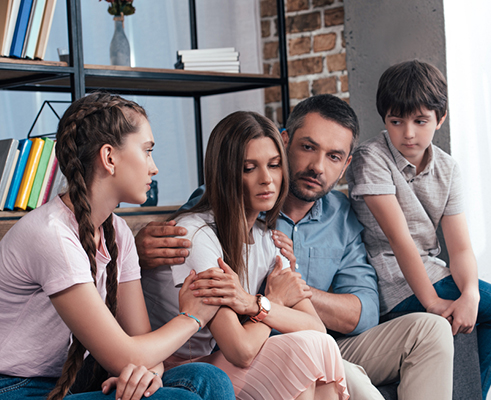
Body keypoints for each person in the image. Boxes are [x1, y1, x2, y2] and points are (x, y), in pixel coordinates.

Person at [137, 95, 454, 400]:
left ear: (345, 165)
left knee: (424, 330)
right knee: (316, 355)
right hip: (235, 351)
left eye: (333, 156)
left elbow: (356, 314)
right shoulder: (218, 216)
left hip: (293, 338)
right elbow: (191, 226)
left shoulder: (299, 227)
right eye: (308, 148)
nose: (317, 166)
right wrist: (272, 301)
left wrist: (274, 298)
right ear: (286, 141)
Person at [0, 93, 234, 400]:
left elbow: (140, 347)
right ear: (109, 157)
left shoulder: (118, 232)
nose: (154, 168)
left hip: (76, 380)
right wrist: (193, 317)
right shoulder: (52, 235)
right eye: (147, 151)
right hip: (17, 387)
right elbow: (124, 356)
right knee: (180, 399)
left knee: (208, 379)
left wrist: (146, 375)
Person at [345, 60, 491, 399]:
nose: (408, 133)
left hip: (432, 271)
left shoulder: (447, 168)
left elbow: (459, 248)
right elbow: (399, 240)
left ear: (440, 119)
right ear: (385, 119)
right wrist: (433, 302)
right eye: (396, 121)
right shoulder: (372, 157)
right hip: (390, 279)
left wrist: (470, 293)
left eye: (420, 121)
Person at [141, 111, 349, 400]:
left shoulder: (270, 239)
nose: (267, 179)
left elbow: (317, 327)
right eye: (249, 168)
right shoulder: (195, 235)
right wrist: (271, 302)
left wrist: (254, 304)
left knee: (318, 345)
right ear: (227, 173)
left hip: (215, 361)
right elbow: (240, 350)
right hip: (173, 371)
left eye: (274, 165)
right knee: (307, 349)